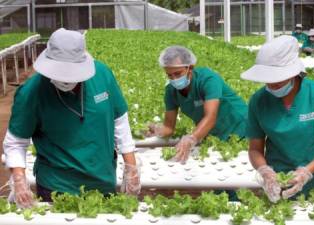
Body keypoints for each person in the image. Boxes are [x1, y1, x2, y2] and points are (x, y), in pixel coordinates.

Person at [3, 28, 141, 208]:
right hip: (56, 186)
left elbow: (119, 120)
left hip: (103, 180)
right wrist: (19, 180)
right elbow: (16, 142)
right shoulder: (32, 92)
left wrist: (131, 168)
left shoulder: (102, 76)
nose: (65, 80)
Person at [241, 35, 314, 202]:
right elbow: (255, 148)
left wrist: (306, 172)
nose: (271, 85)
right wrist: (265, 171)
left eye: (277, 80)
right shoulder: (258, 101)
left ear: (293, 73)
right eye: (267, 80)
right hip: (279, 185)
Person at [146, 46, 248, 164]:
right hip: (214, 135)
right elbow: (169, 128)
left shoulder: (207, 79)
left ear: (190, 68)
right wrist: (156, 130)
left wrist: (192, 138)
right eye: (169, 75)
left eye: (178, 74)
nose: (174, 79)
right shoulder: (171, 91)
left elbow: (211, 117)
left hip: (241, 129)